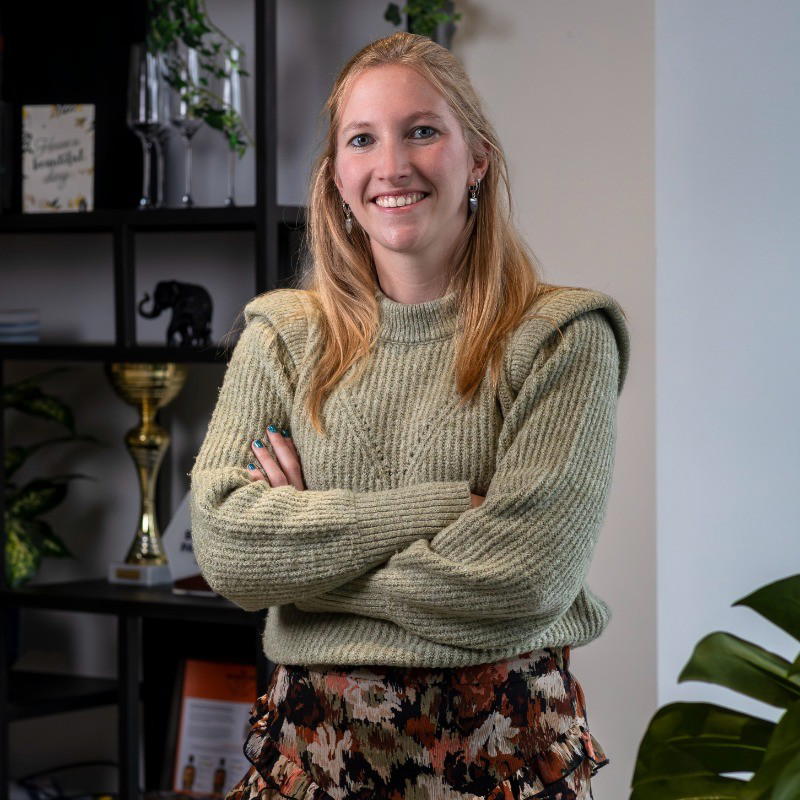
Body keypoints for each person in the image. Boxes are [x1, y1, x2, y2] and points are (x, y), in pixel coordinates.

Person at [190, 31, 630, 800]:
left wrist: (304, 566)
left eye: (422, 131)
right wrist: (440, 509)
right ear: (336, 176)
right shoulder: (281, 337)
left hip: (501, 757)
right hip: (310, 759)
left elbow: (523, 581)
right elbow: (228, 550)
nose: (392, 166)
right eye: (362, 139)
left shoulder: (563, 336)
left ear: (478, 158)